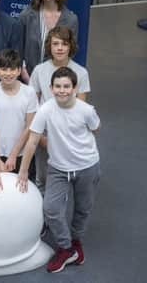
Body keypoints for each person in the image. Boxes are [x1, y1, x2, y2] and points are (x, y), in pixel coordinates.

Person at [16, 67, 101, 274]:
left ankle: (76, 241)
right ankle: (66, 247)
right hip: (58, 168)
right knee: (51, 209)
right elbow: (33, 140)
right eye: (57, 86)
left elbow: (96, 128)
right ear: (51, 88)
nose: (62, 91)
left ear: (74, 88)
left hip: (87, 166)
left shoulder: (86, 110)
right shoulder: (46, 109)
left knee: (82, 209)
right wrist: (24, 171)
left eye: (66, 86)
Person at [29, 25, 91, 194]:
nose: (60, 48)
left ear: (70, 46)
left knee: (64, 180)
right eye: (55, 44)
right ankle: (43, 218)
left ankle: (57, 216)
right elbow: (32, 106)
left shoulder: (81, 73)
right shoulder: (39, 71)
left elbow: (81, 110)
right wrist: (41, 137)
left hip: (67, 137)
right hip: (44, 135)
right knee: (42, 178)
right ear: (49, 46)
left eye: (64, 44)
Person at [0, 49, 38, 179]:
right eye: (3, 69)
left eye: (12, 69)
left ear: (19, 71)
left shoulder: (29, 93)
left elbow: (29, 126)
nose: (8, 73)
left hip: (21, 154)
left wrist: (14, 154)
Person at [19, 0, 79, 82]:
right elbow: (18, 47)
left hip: (57, 82)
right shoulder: (26, 15)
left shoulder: (71, 19)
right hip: (28, 78)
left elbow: (70, 52)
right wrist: (24, 73)